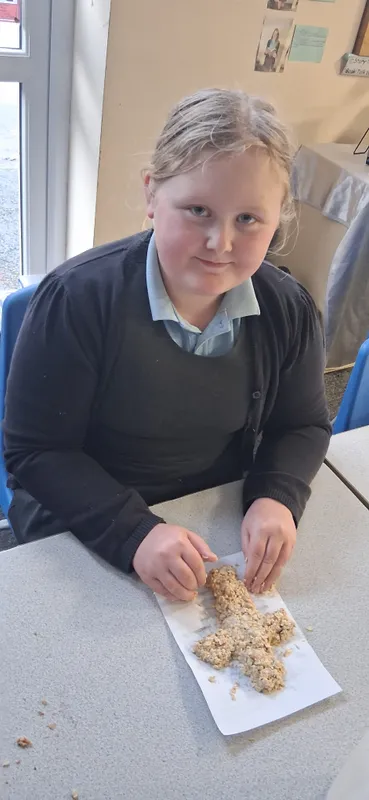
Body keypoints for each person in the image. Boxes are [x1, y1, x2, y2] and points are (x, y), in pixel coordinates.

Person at [3, 88, 330, 602]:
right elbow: (37, 450)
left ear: (278, 217)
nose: (220, 244)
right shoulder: (77, 300)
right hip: (83, 513)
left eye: (248, 219)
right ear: (152, 194)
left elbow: (303, 423)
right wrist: (135, 532)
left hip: (207, 509)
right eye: (198, 209)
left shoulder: (288, 310)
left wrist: (278, 496)